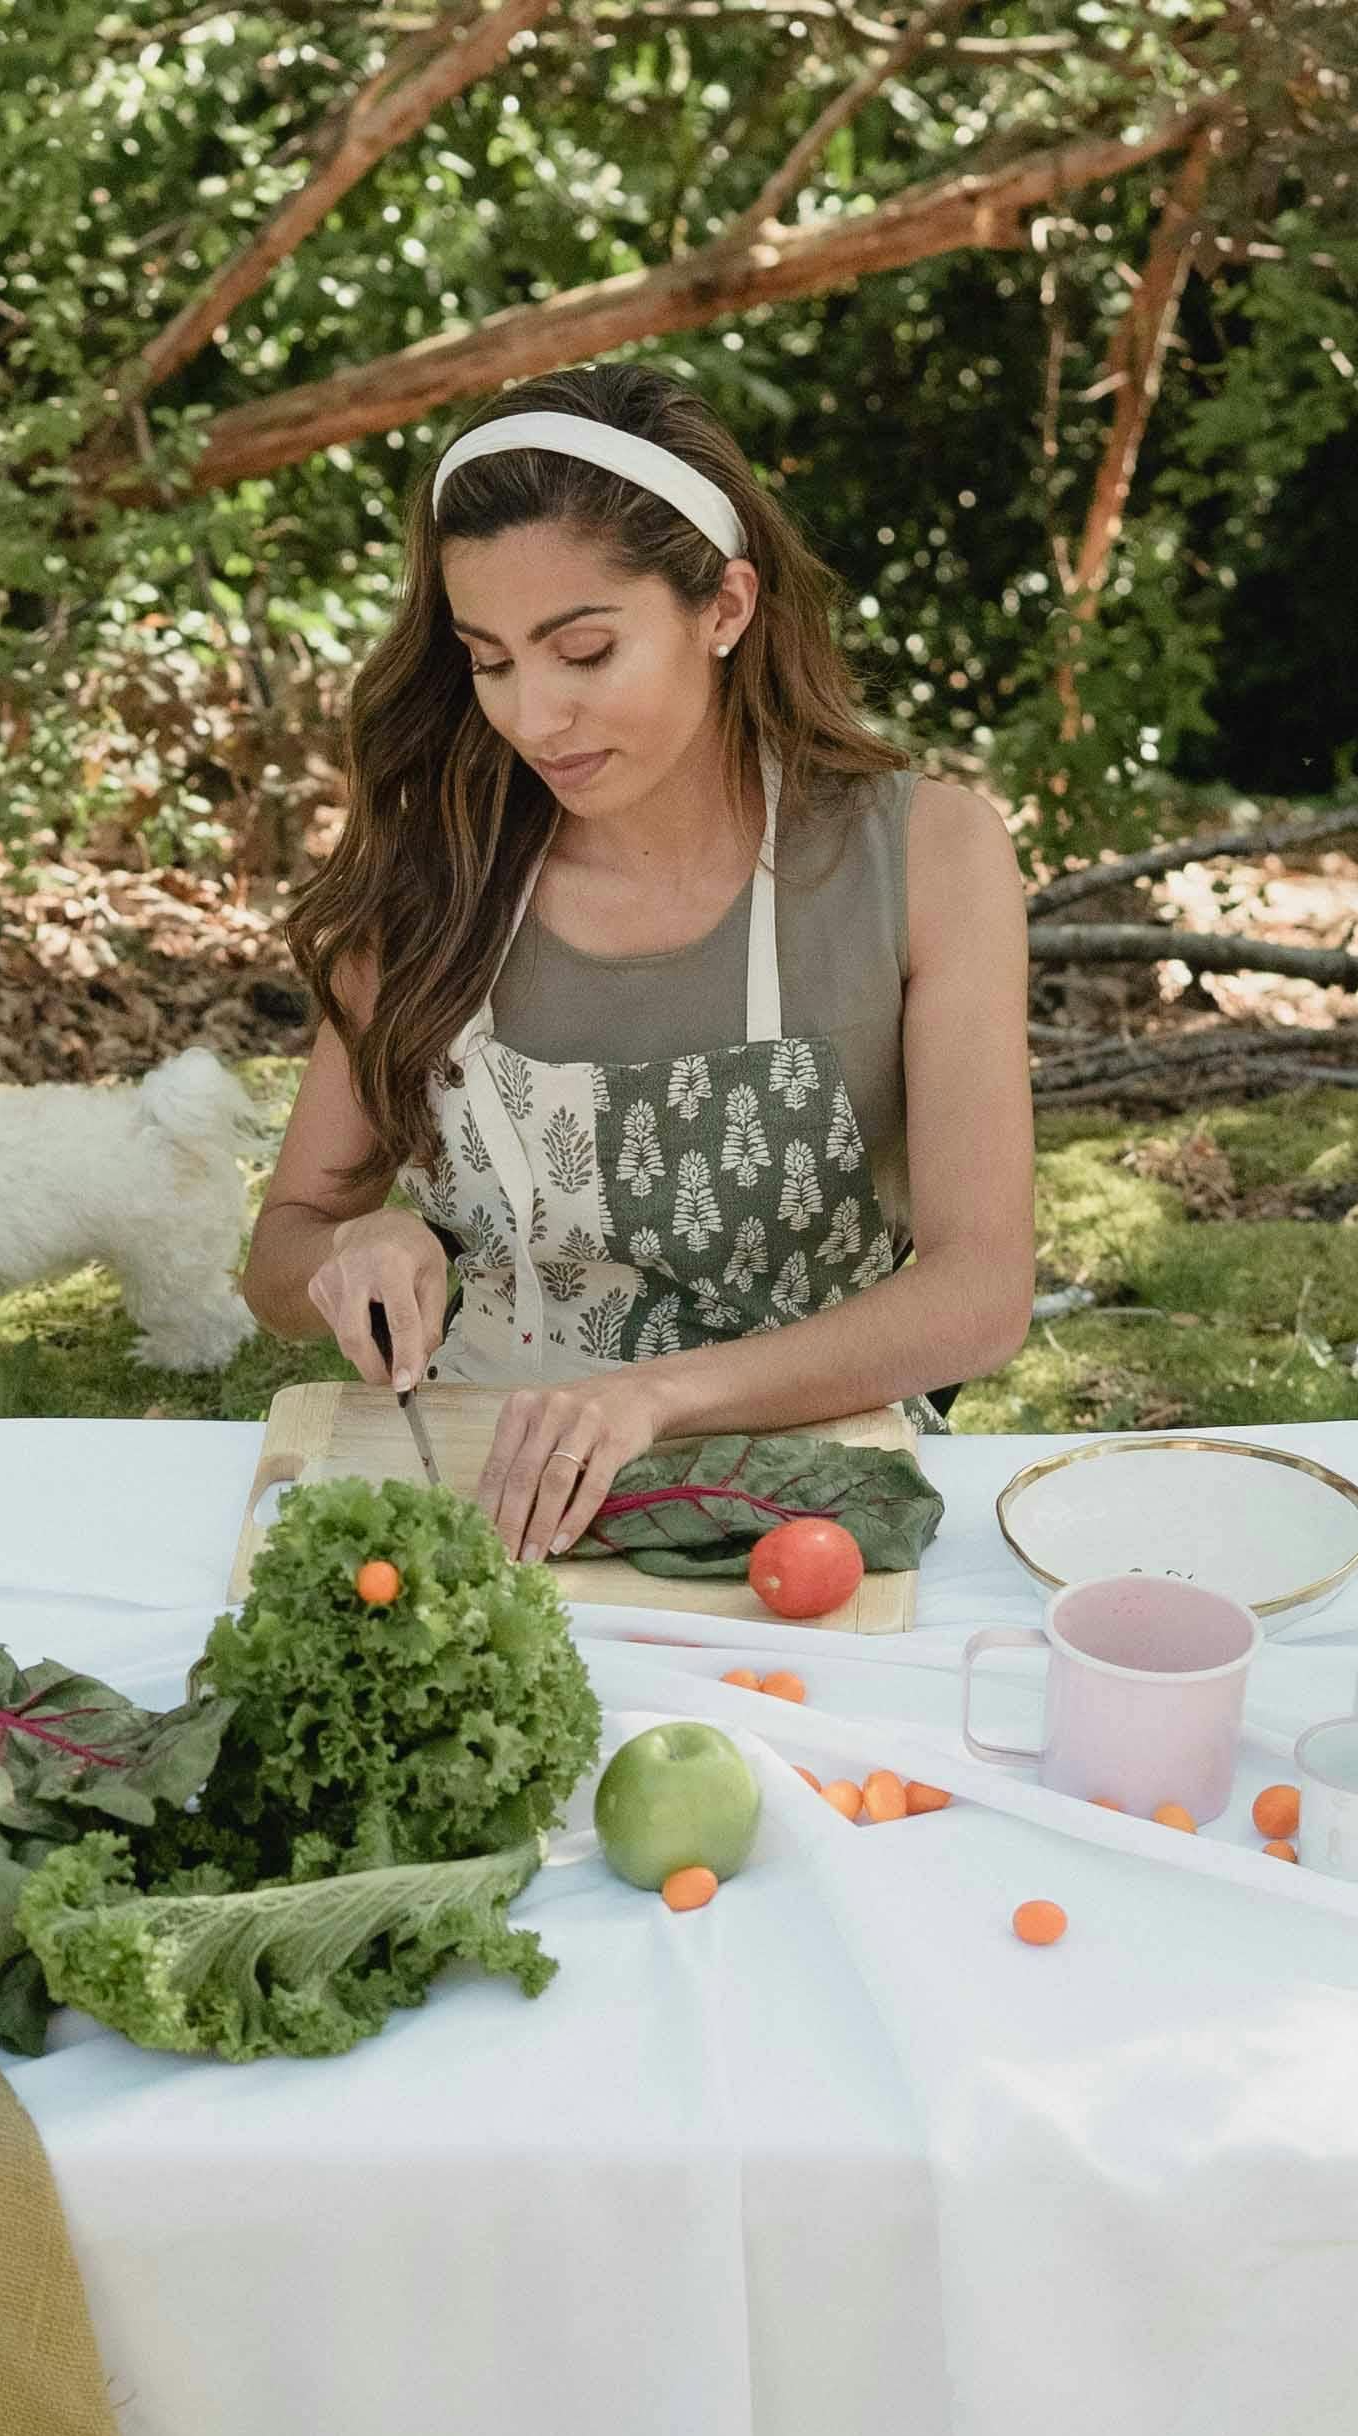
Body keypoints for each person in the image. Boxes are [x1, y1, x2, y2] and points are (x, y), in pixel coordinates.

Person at [242, 362, 1036, 1563]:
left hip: (803, 1504)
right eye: (491, 661)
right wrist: (362, 1248)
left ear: (722, 608)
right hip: (474, 1484)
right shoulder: (437, 878)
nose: (533, 717)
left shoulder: (927, 857)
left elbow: (980, 1294)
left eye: (585, 651)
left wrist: (655, 1397)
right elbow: (281, 1247)